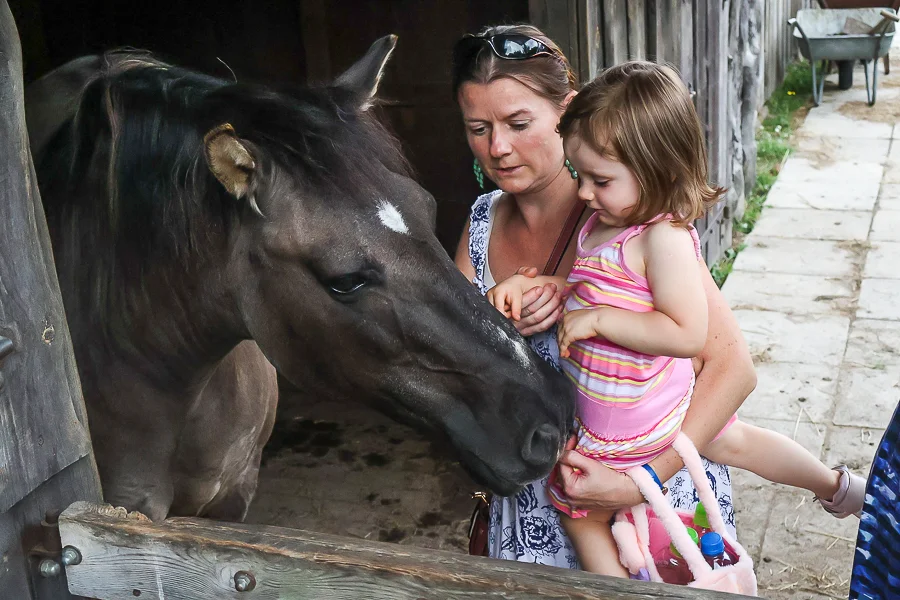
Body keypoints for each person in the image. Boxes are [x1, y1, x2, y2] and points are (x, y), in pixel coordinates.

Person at [486, 60, 867, 577]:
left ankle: (837, 487)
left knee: (587, 509)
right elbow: (590, 287)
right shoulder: (603, 223)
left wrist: (598, 321)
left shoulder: (662, 240)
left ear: (657, 173)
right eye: (581, 176)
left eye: (600, 180)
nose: (583, 193)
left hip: (645, 420)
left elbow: (686, 333)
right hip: (610, 415)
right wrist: (536, 286)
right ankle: (835, 487)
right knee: (729, 441)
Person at [452, 24, 754, 569]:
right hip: (534, 517)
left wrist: (640, 482)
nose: (498, 146)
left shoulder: (629, 219)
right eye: (478, 127)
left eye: (519, 123)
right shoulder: (478, 226)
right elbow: (452, 371)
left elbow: (732, 367)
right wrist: (488, 310)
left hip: (652, 505)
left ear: (568, 114)